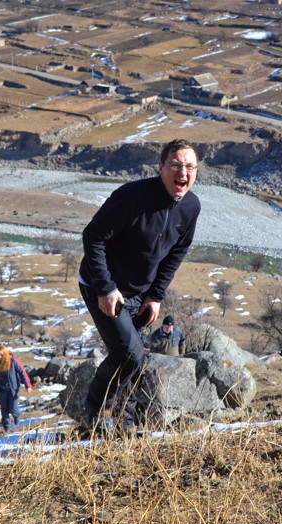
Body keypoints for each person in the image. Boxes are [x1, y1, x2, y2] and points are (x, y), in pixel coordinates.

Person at [77, 139, 201, 435]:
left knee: (136, 357)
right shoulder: (132, 197)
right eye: (175, 165)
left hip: (140, 296)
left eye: (190, 166)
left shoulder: (191, 207)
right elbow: (93, 237)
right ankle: (93, 416)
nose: (182, 172)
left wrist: (155, 295)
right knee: (129, 355)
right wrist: (105, 288)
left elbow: (176, 252)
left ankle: (125, 423)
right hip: (102, 285)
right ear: (161, 167)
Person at [0, 344, 32, 433]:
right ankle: (7, 429)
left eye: (1, 355)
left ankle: (17, 419)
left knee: (13, 409)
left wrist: (28, 385)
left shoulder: (13, 361)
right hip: (1, 390)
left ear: (5, 354)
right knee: (4, 410)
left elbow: (22, 372)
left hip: (13, 390)